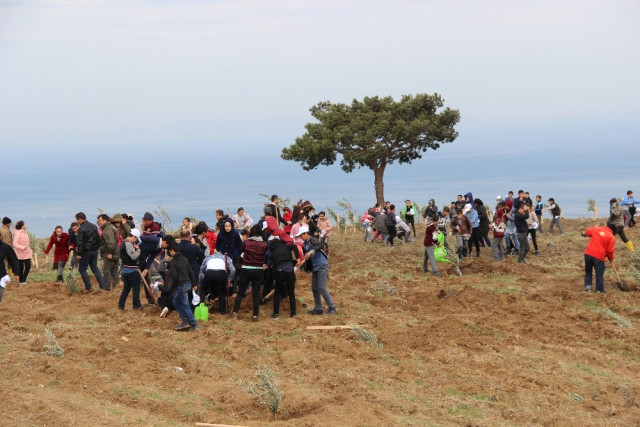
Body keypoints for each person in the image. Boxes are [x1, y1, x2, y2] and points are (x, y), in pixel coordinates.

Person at [297, 225, 337, 315]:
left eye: (301, 235)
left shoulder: (312, 240)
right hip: (315, 267)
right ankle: (319, 309)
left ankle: (332, 307)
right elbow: (306, 258)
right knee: (314, 289)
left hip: (321, 265)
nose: (300, 237)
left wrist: (311, 252)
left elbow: (320, 245)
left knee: (322, 288)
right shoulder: (305, 244)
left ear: (306, 234)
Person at [232, 224, 268, 321]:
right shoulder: (265, 244)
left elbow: (242, 252)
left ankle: (235, 312)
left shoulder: (246, 242)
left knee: (240, 291)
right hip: (258, 269)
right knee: (256, 294)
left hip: (246, 268)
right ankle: (255, 315)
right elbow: (265, 255)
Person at [167, 241, 199, 331]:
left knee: (185, 304)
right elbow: (190, 272)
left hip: (181, 285)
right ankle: (185, 320)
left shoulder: (173, 262)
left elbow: (174, 276)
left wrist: (172, 285)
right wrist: (194, 284)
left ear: (172, 251)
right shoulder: (185, 259)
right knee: (176, 301)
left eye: (170, 251)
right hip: (188, 284)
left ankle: (193, 324)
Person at [268, 238, 301, 319]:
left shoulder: (272, 254)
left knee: (277, 293)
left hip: (280, 272)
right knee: (291, 293)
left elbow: (273, 267)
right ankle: (293, 314)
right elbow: (295, 246)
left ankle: (276, 314)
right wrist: (297, 258)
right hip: (290, 272)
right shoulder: (286, 247)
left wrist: (275, 279)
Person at [75, 212, 107, 291]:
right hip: (94, 250)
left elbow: (80, 242)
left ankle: (88, 287)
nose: (77, 222)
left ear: (79, 219)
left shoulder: (81, 229)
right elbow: (98, 238)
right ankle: (103, 286)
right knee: (95, 268)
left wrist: (79, 253)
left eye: (77, 220)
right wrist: (96, 248)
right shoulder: (94, 226)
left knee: (82, 269)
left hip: (86, 251)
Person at [198, 251, 236, 315]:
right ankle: (222, 311)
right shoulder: (226, 258)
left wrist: (201, 282)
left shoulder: (208, 257)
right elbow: (233, 270)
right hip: (221, 273)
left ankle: (201, 307)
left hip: (209, 272)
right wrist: (229, 280)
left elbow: (201, 269)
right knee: (221, 292)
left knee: (202, 289)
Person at [583, 224, 616, 293]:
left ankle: (588, 287)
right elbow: (610, 250)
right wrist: (611, 258)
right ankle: (600, 290)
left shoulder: (597, 229)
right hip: (599, 257)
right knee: (599, 273)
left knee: (588, 271)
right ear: (613, 231)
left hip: (588, 254)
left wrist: (585, 233)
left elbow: (587, 232)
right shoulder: (611, 237)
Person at [118, 229, 143, 310]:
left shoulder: (123, 242)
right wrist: (138, 250)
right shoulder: (128, 243)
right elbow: (134, 256)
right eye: (136, 239)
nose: (135, 241)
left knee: (126, 289)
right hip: (132, 270)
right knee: (136, 289)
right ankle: (136, 305)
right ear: (134, 237)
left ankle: (121, 305)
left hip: (125, 269)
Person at [98, 214, 120, 291]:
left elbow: (111, 242)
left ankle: (106, 288)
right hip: (116, 252)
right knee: (114, 271)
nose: (99, 222)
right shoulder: (112, 227)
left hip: (110, 254)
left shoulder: (107, 229)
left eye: (100, 220)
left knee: (106, 271)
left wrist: (109, 252)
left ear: (105, 220)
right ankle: (116, 288)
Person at [11, 221, 32, 286]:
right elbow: (14, 244)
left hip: (27, 253)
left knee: (28, 267)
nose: (26, 225)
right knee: (21, 268)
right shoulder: (18, 233)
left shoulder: (25, 232)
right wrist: (22, 247)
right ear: (22, 226)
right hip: (19, 254)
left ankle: (23, 280)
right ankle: (21, 282)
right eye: (25, 224)